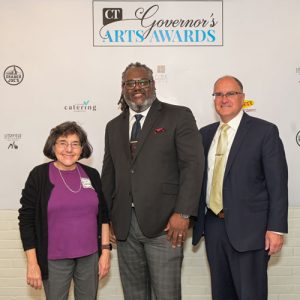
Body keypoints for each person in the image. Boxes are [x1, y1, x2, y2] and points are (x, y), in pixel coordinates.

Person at [101, 62, 204, 300]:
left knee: (167, 295)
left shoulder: (178, 116)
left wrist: (184, 213)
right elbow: (109, 175)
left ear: (153, 85)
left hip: (166, 226)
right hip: (125, 228)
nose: (137, 87)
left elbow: (193, 165)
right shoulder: (113, 126)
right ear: (123, 87)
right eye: (130, 83)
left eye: (143, 82)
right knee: (134, 296)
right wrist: (107, 220)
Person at [193, 76, 288, 300]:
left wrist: (276, 229)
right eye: (218, 94)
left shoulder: (264, 132)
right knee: (221, 293)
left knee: (250, 294)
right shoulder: (205, 134)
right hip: (214, 226)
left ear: (243, 98)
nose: (223, 99)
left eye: (230, 93)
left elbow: (277, 184)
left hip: (251, 231)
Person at [18, 121, 111, 300]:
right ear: (53, 146)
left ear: (82, 148)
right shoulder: (39, 176)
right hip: (54, 260)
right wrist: (32, 263)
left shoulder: (92, 175)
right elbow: (26, 221)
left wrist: (105, 251)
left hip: (90, 258)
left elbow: (103, 216)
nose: (69, 149)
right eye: (62, 143)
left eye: (75, 144)